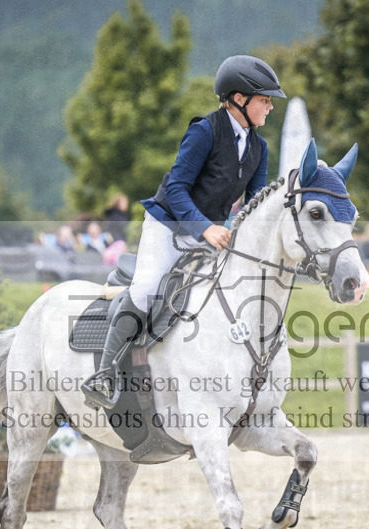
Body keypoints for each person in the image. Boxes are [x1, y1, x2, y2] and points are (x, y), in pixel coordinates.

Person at [81, 54, 285, 409]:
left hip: (215, 233)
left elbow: (255, 205)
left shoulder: (259, 148)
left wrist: (245, 234)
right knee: (145, 290)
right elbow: (176, 189)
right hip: (169, 226)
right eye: (265, 99)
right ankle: (105, 373)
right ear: (239, 98)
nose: (270, 107)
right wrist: (206, 228)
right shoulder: (204, 131)